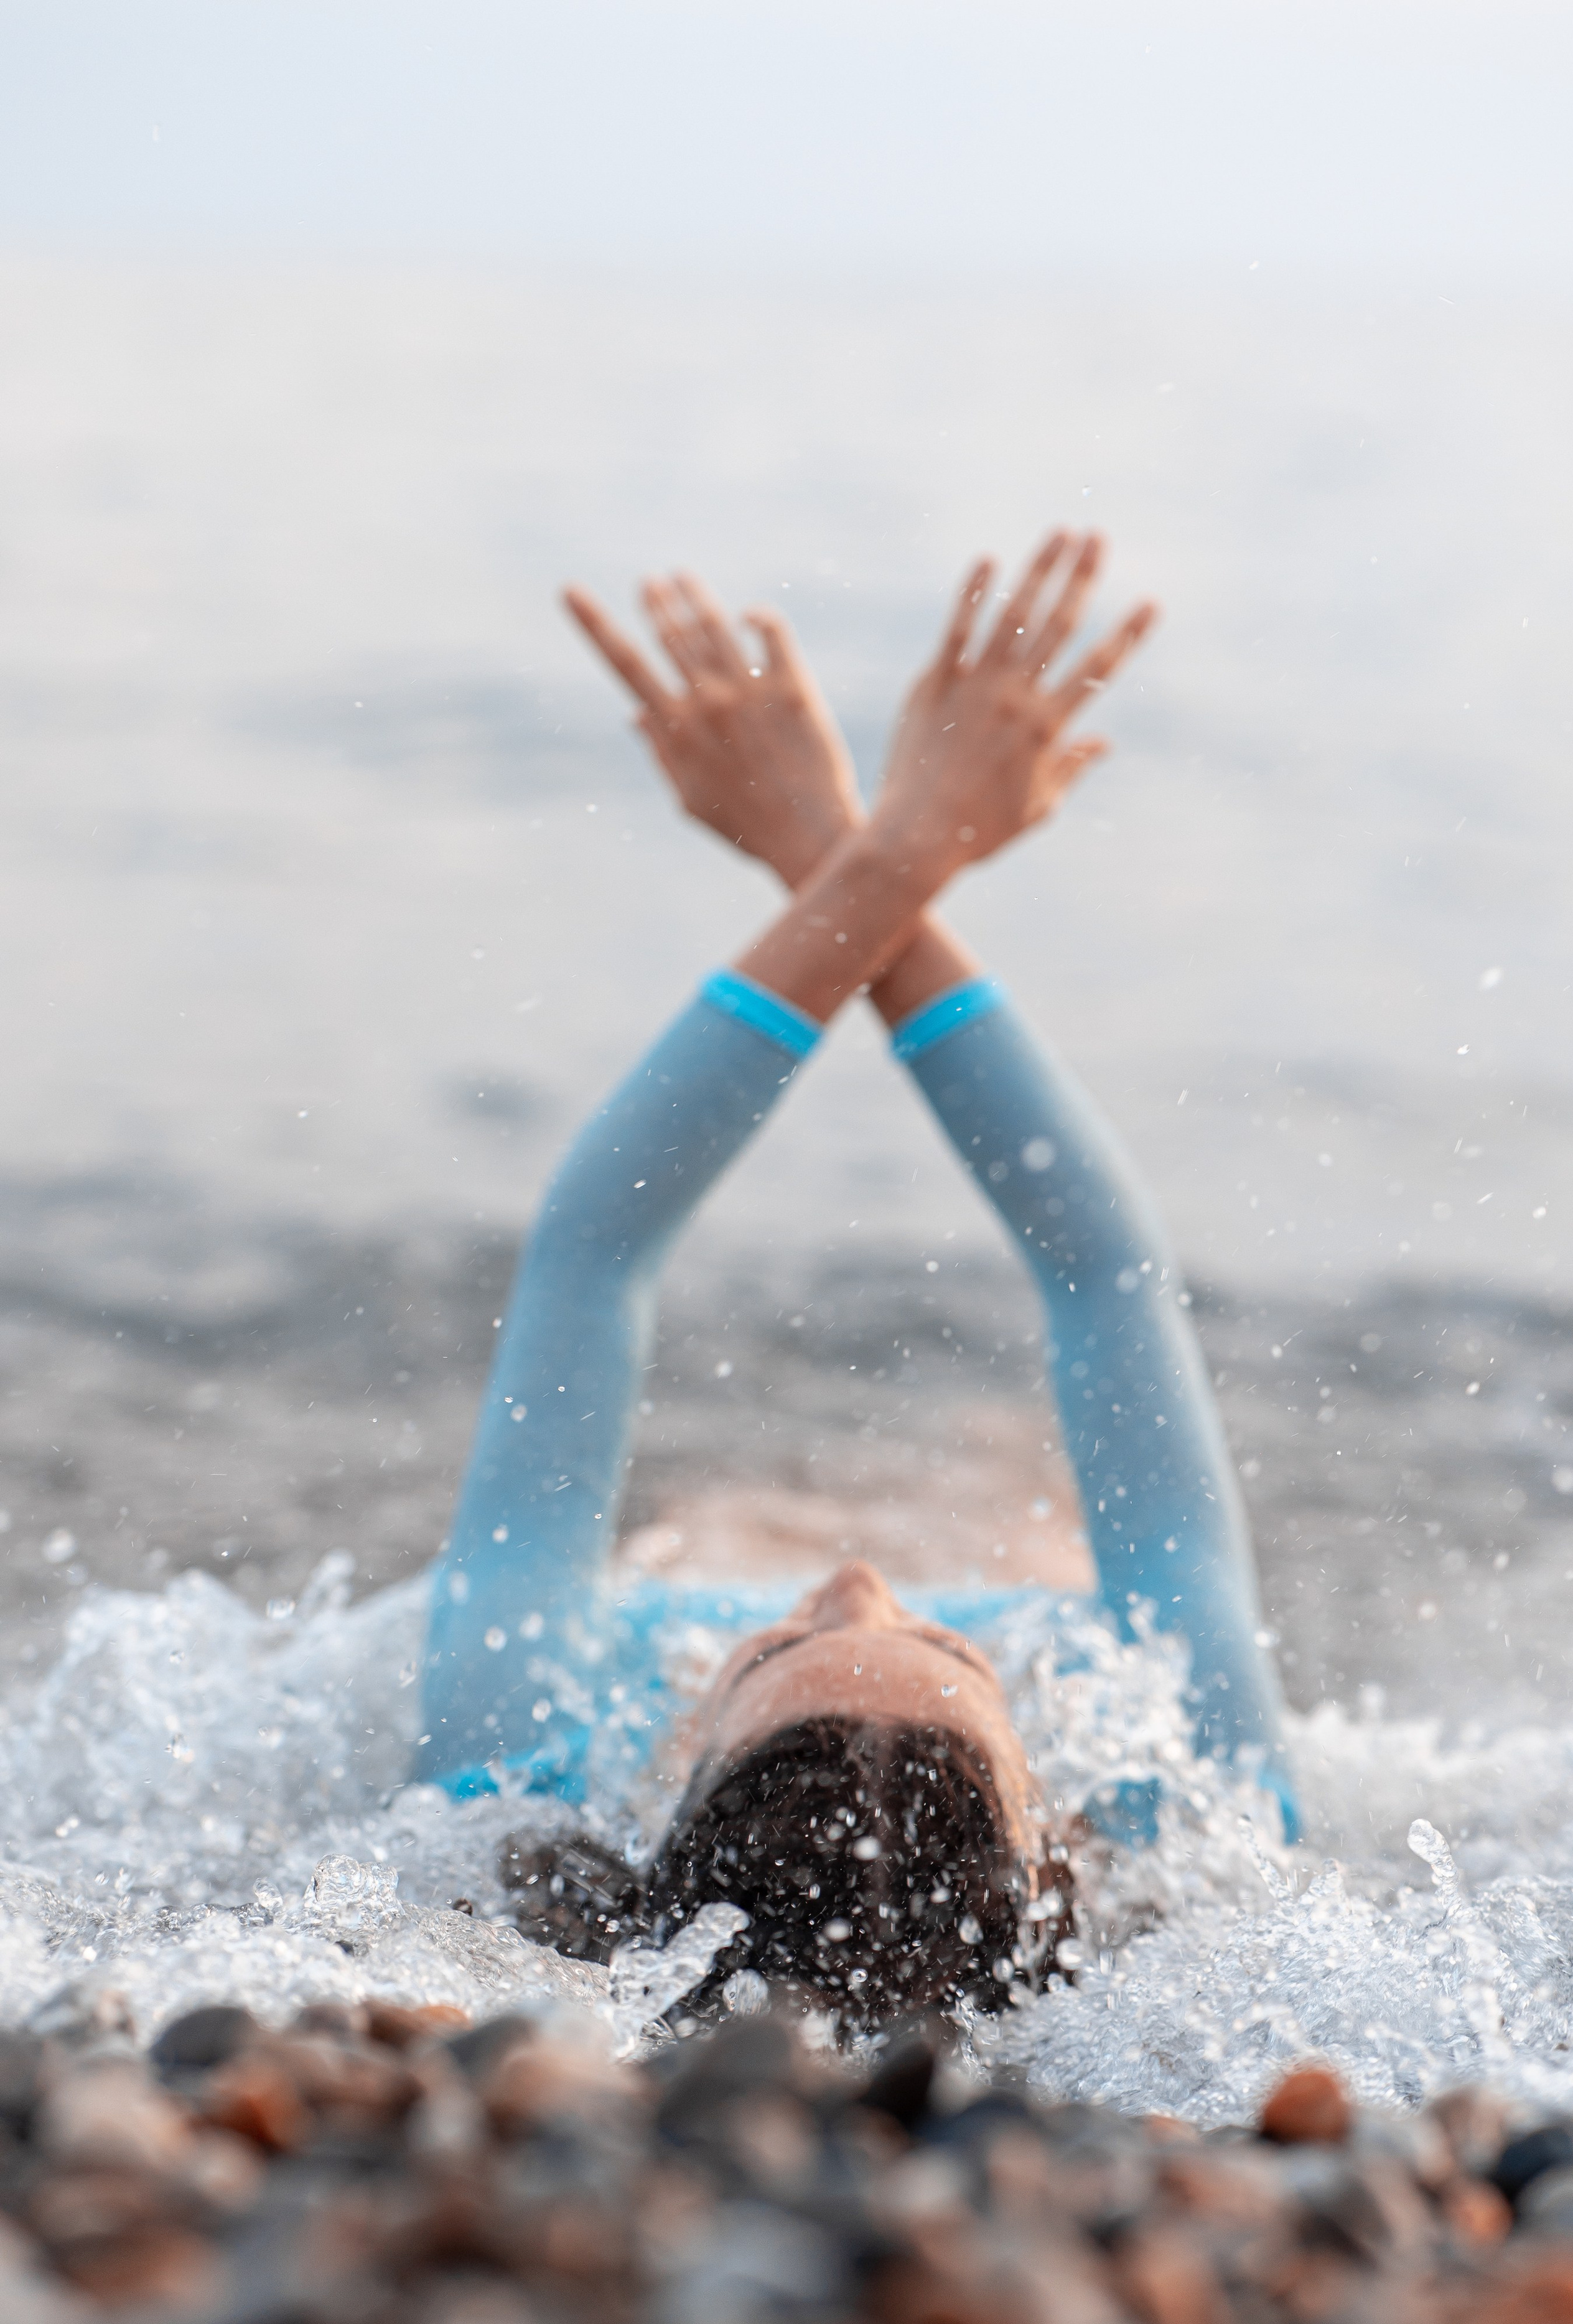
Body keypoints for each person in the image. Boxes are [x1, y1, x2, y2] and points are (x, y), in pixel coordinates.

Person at [419, 533, 1297, 2030]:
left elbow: (592, 1250)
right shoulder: (1193, 1804)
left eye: (776, 1646)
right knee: (1011, 1499)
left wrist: (865, 855)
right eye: (948, 1651)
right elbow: (1103, 1272)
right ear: (1056, 1830)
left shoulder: (514, 1782)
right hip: (998, 1536)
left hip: (723, 1577)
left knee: (718, 1527)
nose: (853, 1580)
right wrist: (880, 850)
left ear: (663, 1808)